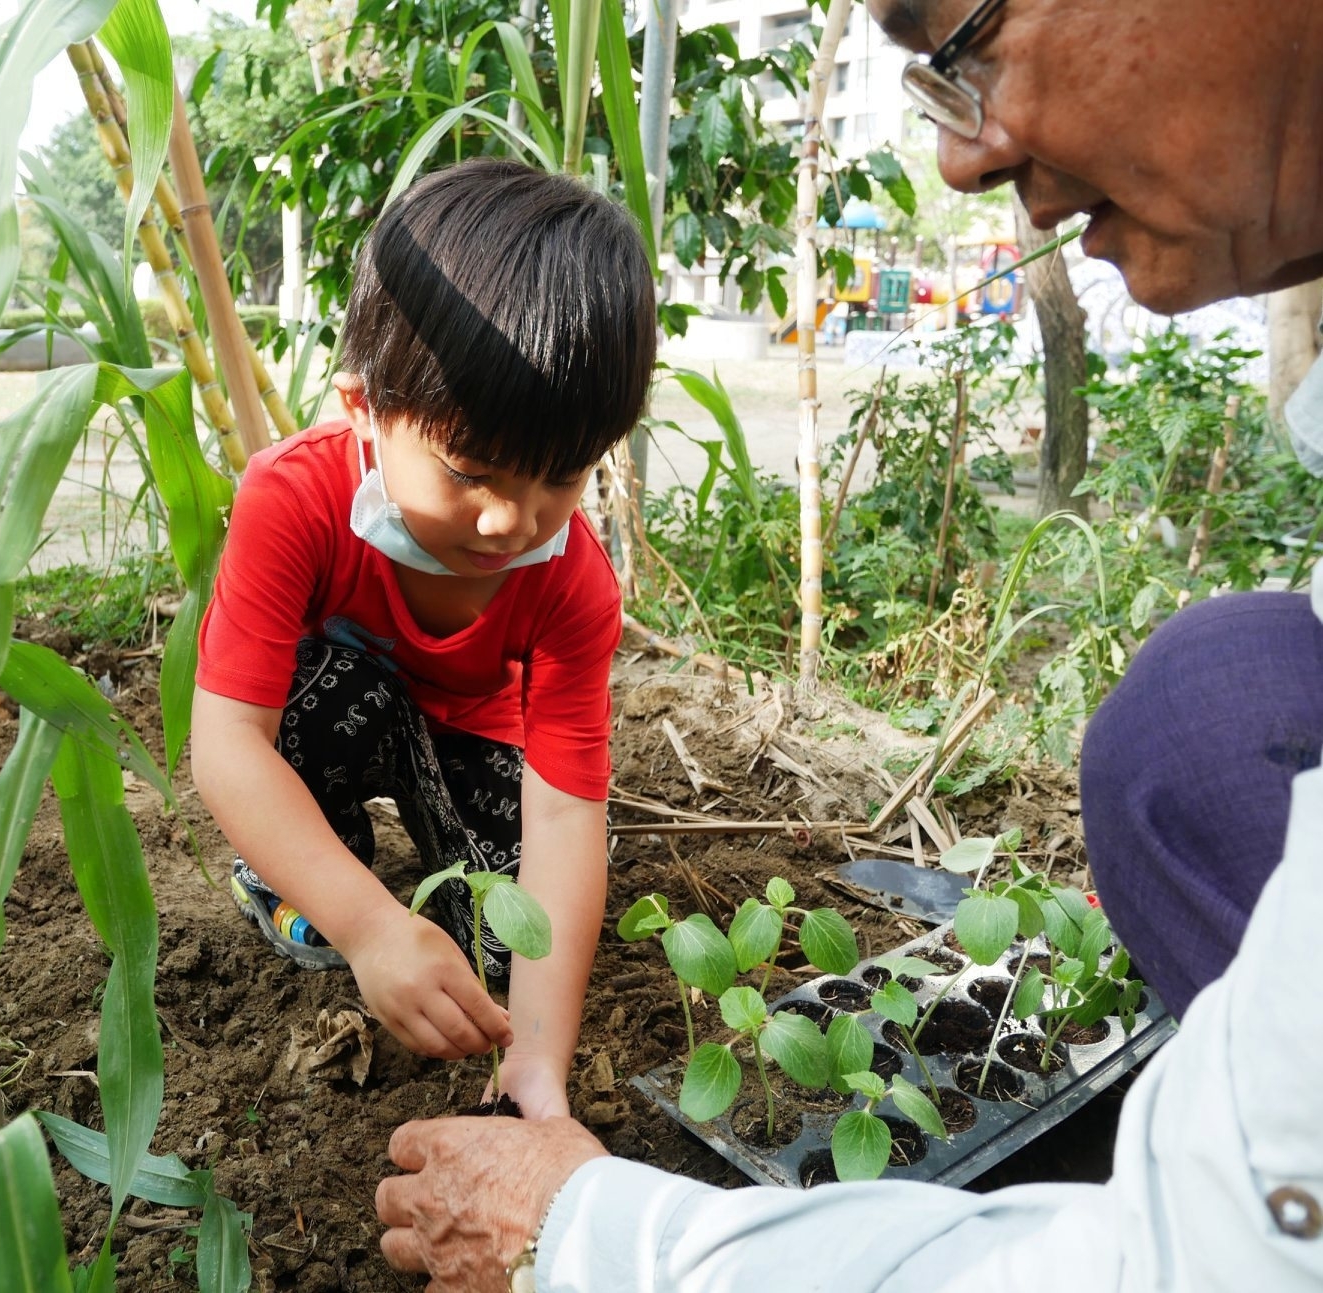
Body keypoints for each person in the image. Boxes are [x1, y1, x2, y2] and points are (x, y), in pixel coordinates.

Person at [374, 1, 1323, 1287]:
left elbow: (1214, 1256)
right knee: (1195, 718)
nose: (959, 158)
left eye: (967, 38)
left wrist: (600, 1233)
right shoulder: (308, 515)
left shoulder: (564, 582)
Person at [190, 159, 656, 1119]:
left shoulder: (570, 582)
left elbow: (567, 816)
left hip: (467, 739)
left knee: (496, 955)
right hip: (333, 715)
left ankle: (407, 902)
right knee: (335, 687)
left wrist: (536, 1070)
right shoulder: (293, 500)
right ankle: (303, 868)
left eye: (559, 481)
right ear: (365, 409)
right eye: (472, 472)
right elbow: (228, 740)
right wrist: (368, 926)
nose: (510, 524)